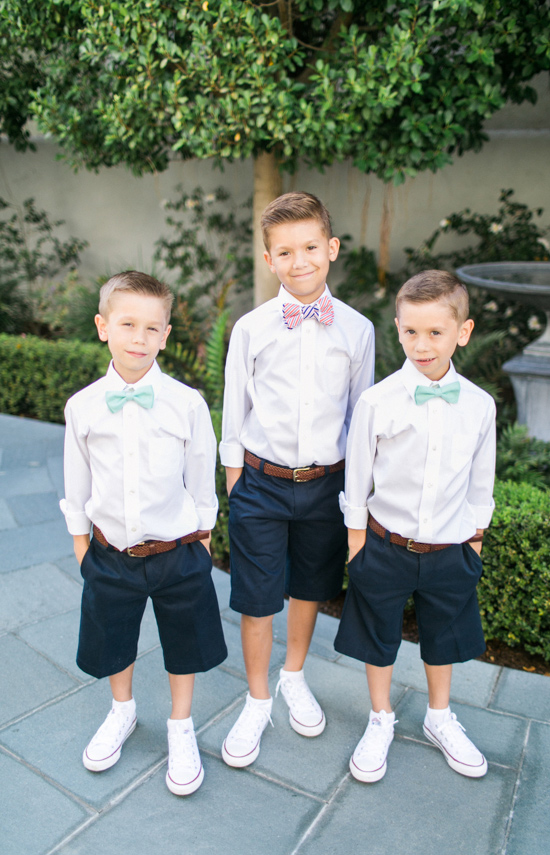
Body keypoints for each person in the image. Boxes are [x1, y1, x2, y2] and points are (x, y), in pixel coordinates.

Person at [219, 191, 375, 767]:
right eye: (284, 252)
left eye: (310, 247)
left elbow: (361, 415)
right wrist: (235, 481)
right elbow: (234, 409)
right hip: (260, 482)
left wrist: (355, 493)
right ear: (269, 259)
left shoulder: (357, 329)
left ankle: (293, 675)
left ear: (331, 248)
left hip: (326, 484)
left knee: (310, 586)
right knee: (257, 597)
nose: (299, 261)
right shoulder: (251, 328)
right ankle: (257, 699)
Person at [59, 271, 227, 796]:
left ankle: (181, 724)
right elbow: (77, 483)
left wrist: (203, 538)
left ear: (165, 335)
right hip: (111, 553)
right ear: (103, 327)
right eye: (127, 324)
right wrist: (82, 547)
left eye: (152, 328)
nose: (139, 337)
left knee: (185, 640)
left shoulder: (187, 403)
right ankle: (122, 710)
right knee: (113, 636)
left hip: (178, 550)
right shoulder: (83, 406)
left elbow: (201, 478)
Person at [334, 270, 495, 783]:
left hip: (450, 548)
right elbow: (357, 476)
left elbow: (481, 483)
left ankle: (439, 717)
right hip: (385, 545)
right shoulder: (377, 401)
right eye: (410, 332)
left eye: (435, 333)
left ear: (462, 333)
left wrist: (474, 541)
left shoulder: (479, 405)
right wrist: (357, 544)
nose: (421, 345)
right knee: (377, 634)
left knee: (443, 635)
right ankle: (380, 716)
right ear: (398, 328)